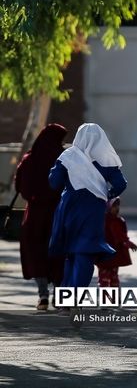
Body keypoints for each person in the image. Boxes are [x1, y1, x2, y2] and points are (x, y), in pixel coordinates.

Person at [49, 123, 126, 292]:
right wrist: (106, 195)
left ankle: (66, 297)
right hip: (94, 209)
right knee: (85, 252)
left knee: (70, 254)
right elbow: (120, 184)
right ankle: (76, 297)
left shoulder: (69, 155)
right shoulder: (107, 158)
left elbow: (54, 183)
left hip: (69, 207)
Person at [15, 124, 68, 310]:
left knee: (36, 252)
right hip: (58, 214)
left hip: (34, 215)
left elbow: (20, 187)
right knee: (58, 254)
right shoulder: (64, 159)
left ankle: (42, 296)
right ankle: (58, 295)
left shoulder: (29, 159)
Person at [96, 197, 137, 287]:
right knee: (105, 278)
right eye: (114, 206)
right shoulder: (105, 221)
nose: (117, 208)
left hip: (113, 255)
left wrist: (127, 242)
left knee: (113, 277)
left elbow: (121, 236)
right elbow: (119, 236)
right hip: (104, 255)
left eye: (117, 205)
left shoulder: (118, 220)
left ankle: (113, 298)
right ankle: (107, 298)